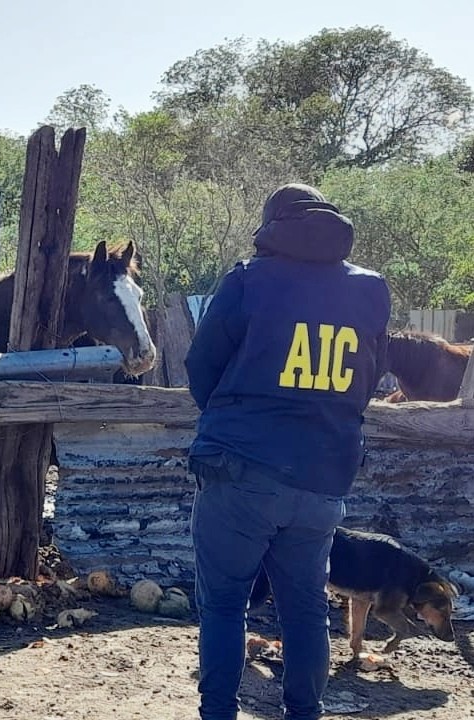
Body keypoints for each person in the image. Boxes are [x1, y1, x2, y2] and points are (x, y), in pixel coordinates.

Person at [184, 183, 391, 720]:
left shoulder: (248, 279)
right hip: (324, 479)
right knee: (305, 612)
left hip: (241, 473)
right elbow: (366, 379)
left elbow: (200, 367)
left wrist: (230, 421)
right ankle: (305, 713)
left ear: (271, 224)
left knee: (225, 606)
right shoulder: (370, 290)